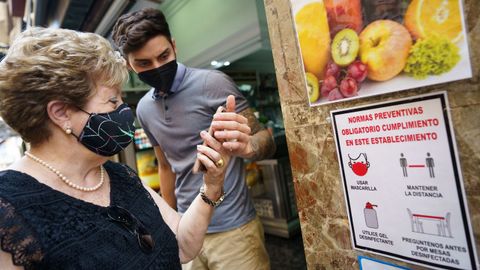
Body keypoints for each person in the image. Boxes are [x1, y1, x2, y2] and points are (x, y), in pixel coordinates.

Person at [0, 27, 235, 269]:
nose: (124, 110)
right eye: (113, 101)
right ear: (61, 114)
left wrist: (212, 185)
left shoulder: (120, 175)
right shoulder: (9, 209)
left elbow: (183, 246)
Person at [112, 8, 275, 270]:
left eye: (163, 56)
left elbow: (264, 141)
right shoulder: (143, 109)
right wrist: (169, 224)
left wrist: (248, 147)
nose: (157, 67)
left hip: (234, 231)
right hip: (187, 230)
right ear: (129, 64)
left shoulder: (214, 84)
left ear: (174, 46)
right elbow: (166, 168)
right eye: (144, 63)